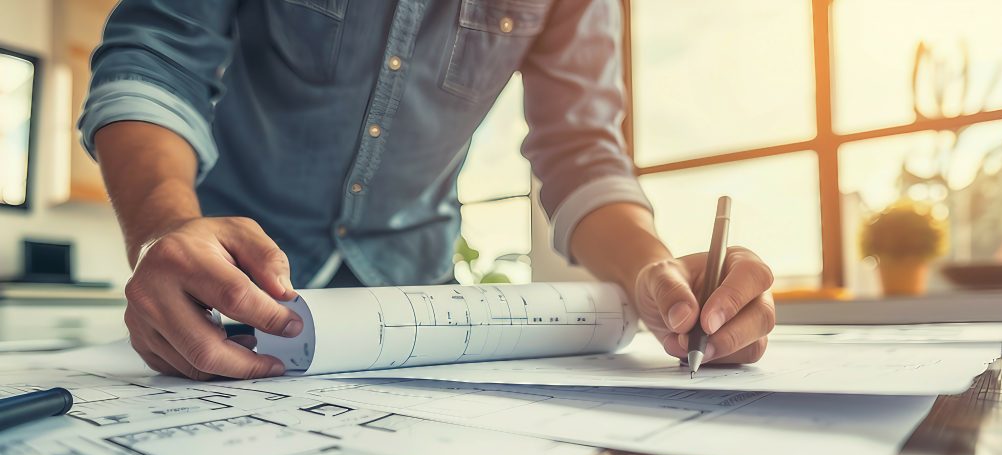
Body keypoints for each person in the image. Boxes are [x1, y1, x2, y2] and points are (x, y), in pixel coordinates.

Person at [81, 0, 776, 380]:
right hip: (228, 296)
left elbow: (581, 150)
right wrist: (162, 227)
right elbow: (158, 55)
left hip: (421, 312)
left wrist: (651, 267)